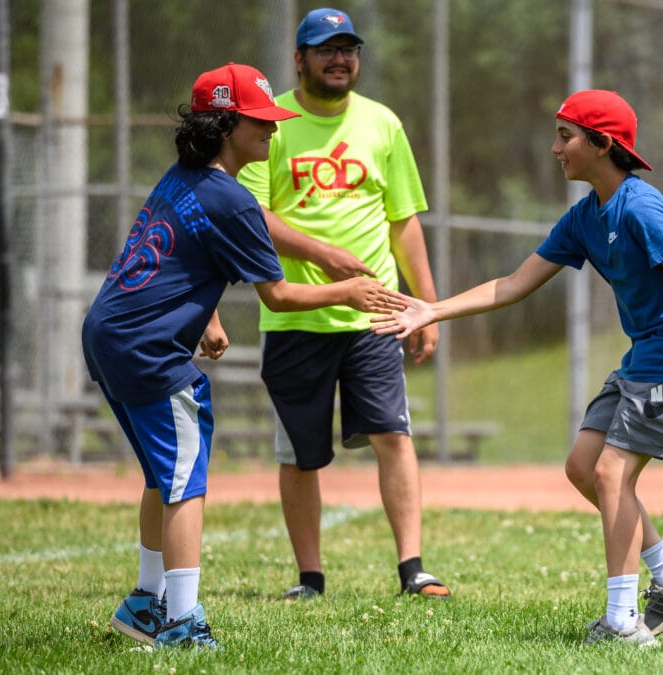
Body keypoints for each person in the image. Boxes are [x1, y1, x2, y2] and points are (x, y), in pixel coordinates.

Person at [372, 90, 663, 646]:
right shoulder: (586, 216)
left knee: (612, 475)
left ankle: (624, 623)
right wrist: (430, 308)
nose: (555, 147)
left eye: (566, 136)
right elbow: (512, 284)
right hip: (643, 357)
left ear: (603, 143)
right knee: (585, 466)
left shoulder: (640, 205)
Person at [81, 62, 408, 650]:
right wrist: (349, 291)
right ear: (226, 125)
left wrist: (204, 314)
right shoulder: (231, 199)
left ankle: (143, 605)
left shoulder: (185, 176)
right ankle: (181, 623)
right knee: (185, 481)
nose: (273, 130)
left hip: (108, 332)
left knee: (163, 474)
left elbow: (177, 252)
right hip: (149, 347)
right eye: (260, 121)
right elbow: (278, 295)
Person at [236, 8, 450, 600]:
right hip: (295, 314)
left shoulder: (383, 123)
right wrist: (323, 253)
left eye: (348, 49)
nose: (339, 59)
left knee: (393, 436)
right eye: (325, 49)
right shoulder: (270, 123)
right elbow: (253, 213)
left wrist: (425, 305)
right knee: (300, 455)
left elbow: (402, 220)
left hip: (375, 314)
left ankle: (414, 569)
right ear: (299, 59)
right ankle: (310, 578)